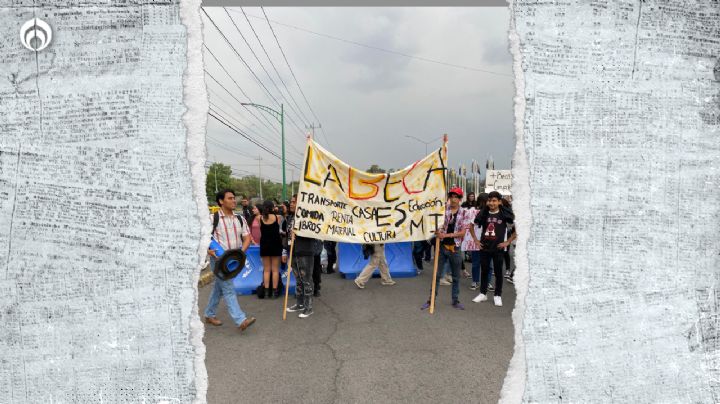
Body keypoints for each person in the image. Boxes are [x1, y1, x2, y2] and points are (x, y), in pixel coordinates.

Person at [204, 189, 256, 332]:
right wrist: (207, 250)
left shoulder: (240, 219)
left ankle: (209, 314)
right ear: (221, 201)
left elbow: (247, 238)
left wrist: (240, 253)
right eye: (230, 198)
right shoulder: (211, 219)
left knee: (219, 288)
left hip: (234, 261)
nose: (234, 201)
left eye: (234, 198)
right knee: (228, 288)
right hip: (219, 261)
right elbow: (201, 237)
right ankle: (241, 320)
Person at [421, 187, 474, 310]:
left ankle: (455, 300)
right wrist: (437, 231)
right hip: (442, 247)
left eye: (456, 197)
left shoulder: (465, 213)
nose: (454, 199)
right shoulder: (443, 210)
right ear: (449, 197)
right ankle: (431, 300)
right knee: (436, 275)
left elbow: (462, 233)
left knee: (456, 276)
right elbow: (433, 221)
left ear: (460, 199)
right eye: (452, 196)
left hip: (455, 248)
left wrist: (446, 235)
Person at [471, 191, 517, 307]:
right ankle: (483, 293)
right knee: (485, 271)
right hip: (485, 248)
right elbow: (471, 226)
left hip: (498, 249)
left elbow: (518, 228)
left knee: (498, 273)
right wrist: (476, 241)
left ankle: (497, 295)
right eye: (489, 200)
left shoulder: (504, 214)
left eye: (494, 200)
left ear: (499, 202)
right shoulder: (483, 213)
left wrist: (507, 241)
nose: (491, 203)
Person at [285, 195, 323, 318]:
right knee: (298, 280)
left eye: (294, 202)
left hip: (305, 252)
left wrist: (299, 233)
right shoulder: (290, 217)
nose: (291, 204)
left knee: (306, 280)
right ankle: (299, 304)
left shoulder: (309, 217)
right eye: (291, 202)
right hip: (293, 251)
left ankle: (309, 307)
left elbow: (314, 233)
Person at [259, 200, 283, 299]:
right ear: (273, 207)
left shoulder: (259, 218)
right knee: (275, 270)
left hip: (264, 245)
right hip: (276, 244)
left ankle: (266, 292)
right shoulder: (278, 217)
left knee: (267, 270)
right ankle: (274, 292)